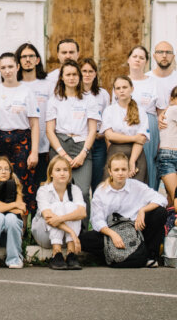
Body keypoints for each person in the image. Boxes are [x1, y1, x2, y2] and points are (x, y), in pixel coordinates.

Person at [80, 152, 168, 268]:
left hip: (135, 230)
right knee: (85, 239)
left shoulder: (137, 186)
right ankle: (117, 255)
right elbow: (97, 220)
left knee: (160, 213)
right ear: (110, 171)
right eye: (116, 170)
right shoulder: (101, 191)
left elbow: (161, 199)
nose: (120, 173)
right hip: (112, 231)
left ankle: (150, 256)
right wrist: (113, 235)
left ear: (128, 170)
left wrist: (142, 210)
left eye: (123, 169)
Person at [0, 53, 39, 213]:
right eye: (3, 67)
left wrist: (34, 152)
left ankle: (21, 225)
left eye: (10, 66)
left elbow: (34, 124)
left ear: (17, 67)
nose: (7, 71)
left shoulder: (27, 92)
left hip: (22, 141)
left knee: (22, 182)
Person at [44, 59, 100, 215]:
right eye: (68, 74)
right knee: (59, 191)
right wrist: (62, 154)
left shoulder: (89, 99)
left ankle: (82, 233)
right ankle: (59, 229)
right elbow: (50, 130)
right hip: (60, 145)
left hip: (82, 146)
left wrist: (83, 153)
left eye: (75, 74)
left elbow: (92, 130)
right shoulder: (55, 99)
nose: (72, 78)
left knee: (82, 191)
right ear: (61, 77)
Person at [33, 155, 86, 270]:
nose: (62, 173)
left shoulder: (75, 189)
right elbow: (48, 216)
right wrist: (72, 232)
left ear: (69, 173)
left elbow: (82, 213)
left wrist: (61, 219)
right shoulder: (44, 190)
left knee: (70, 206)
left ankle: (71, 254)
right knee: (57, 206)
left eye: (65, 170)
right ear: (51, 173)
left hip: (66, 238)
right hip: (44, 235)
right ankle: (56, 253)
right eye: (58, 170)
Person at [16, 43, 54, 188]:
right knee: (21, 185)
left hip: (44, 144)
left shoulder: (48, 85)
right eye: (23, 56)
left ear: (37, 60)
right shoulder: (15, 85)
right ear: (18, 61)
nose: (27, 60)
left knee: (42, 185)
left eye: (31, 56)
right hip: (20, 143)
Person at [101, 76, 150, 183]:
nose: (121, 90)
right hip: (115, 153)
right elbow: (110, 136)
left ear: (132, 89)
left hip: (136, 154)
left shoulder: (141, 111)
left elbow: (141, 140)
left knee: (136, 189)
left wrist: (132, 162)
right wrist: (133, 138)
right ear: (114, 91)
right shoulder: (109, 111)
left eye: (124, 87)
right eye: (118, 88)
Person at [125, 46, 160, 189]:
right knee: (129, 163)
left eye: (141, 57)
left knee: (149, 163)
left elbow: (161, 110)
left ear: (146, 61)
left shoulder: (153, 82)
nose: (137, 60)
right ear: (128, 59)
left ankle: (150, 201)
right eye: (135, 56)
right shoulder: (122, 82)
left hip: (149, 125)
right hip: (127, 126)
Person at [79, 57, 111, 189]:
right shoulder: (75, 94)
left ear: (95, 74)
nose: (87, 74)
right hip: (81, 142)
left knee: (98, 181)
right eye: (84, 71)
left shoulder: (103, 94)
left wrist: (102, 134)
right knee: (82, 182)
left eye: (90, 71)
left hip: (98, 143)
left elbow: (107, 118)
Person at [157, 85, 177, 203]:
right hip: (168, 155)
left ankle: (170, 221)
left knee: (173, 198)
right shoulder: (175, 110)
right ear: (172, 100)